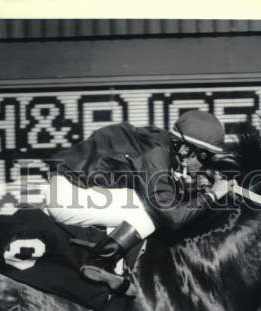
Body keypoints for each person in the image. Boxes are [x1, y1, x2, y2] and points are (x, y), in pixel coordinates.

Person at [43, 110, 232, 292]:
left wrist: (196, 188)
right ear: (185, 148)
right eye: (204, 157)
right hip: (68, 196)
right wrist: (213, 195)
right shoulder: (156, 154)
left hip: (72, 186)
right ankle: (100, 262)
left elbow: (165, 188)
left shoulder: (161, 145)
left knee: (149, 202)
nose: (205, 165)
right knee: (153, 210)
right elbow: (174, 217)